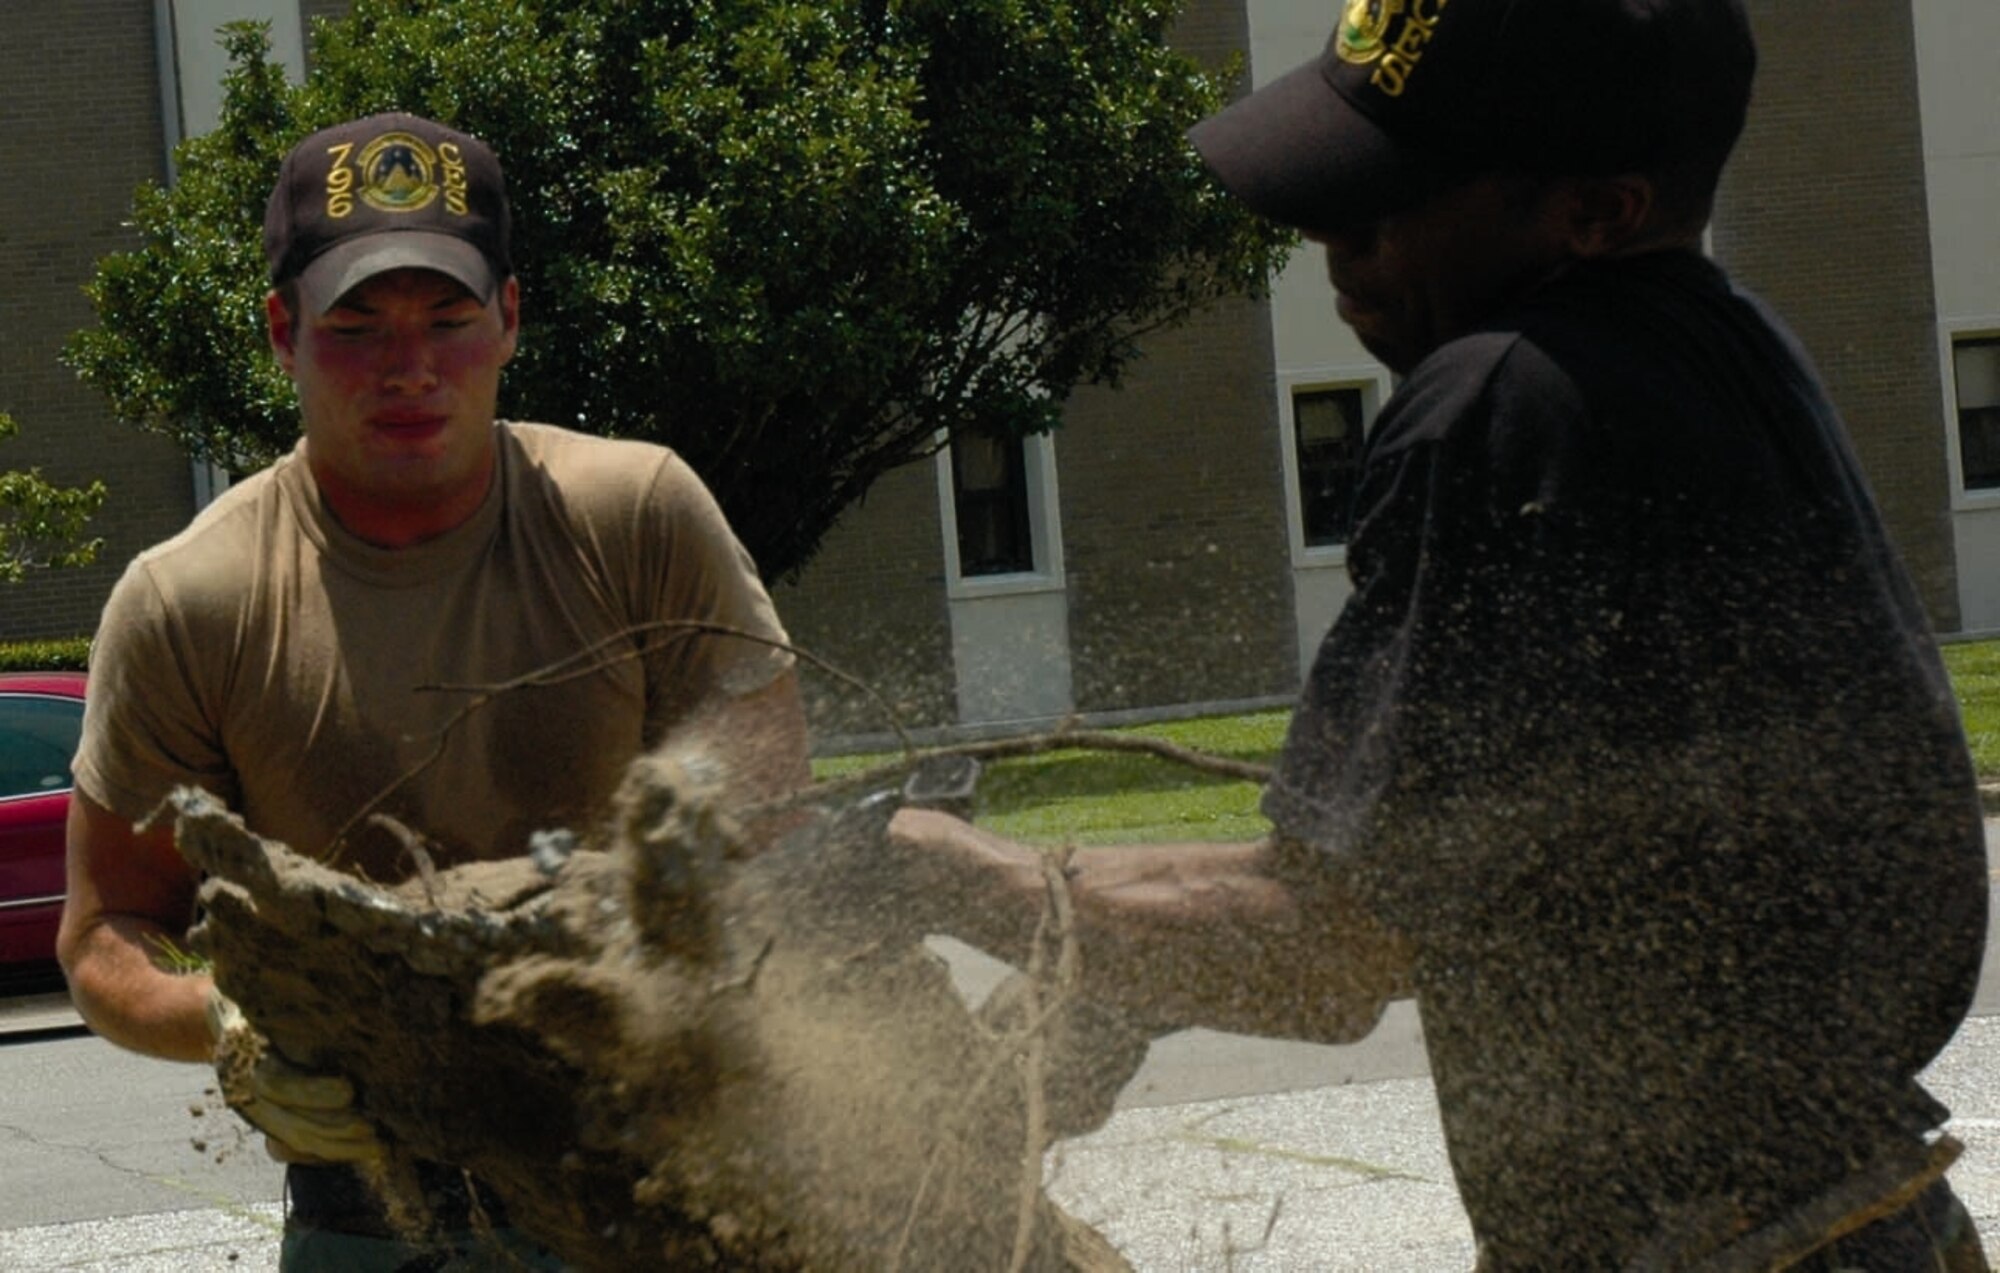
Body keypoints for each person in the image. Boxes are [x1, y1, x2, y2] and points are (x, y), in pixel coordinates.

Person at [893, 1, 1993, 1267]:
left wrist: (932, 871)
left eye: (1384, 202)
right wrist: (1100, 946)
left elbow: (1325, 954)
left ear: (1594, 212)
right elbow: (1411, 881)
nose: (1331, 243)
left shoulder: (1495, 405)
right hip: (1856, 1221)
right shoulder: (1728, 363)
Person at [58, 111, 811, 1270]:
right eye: (355, 326)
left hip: (667, 1191)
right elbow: (106, 929)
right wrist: (228, 1025)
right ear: (281, 331)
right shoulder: (189, 601)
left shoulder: (638, 516)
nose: (408, 367)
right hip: (370, 1223)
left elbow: (774, 830)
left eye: (449, 321)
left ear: (509, 319)